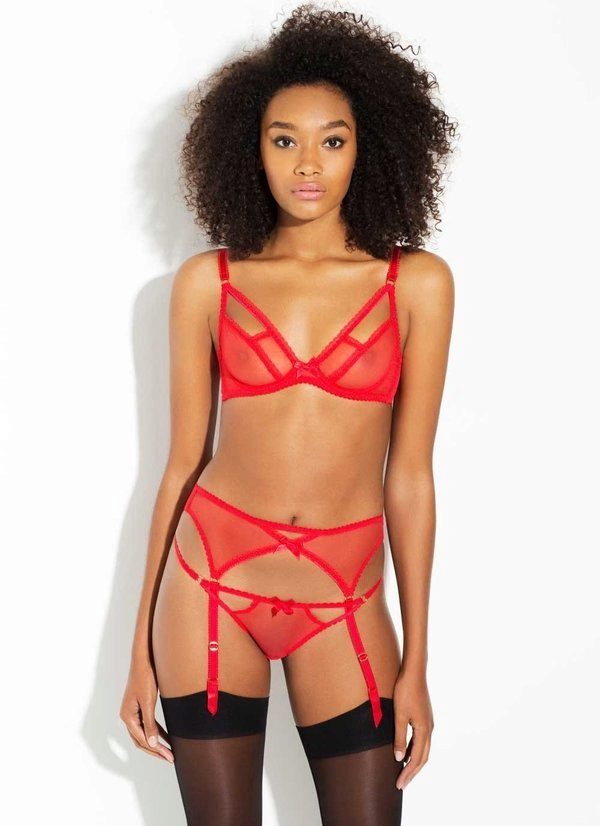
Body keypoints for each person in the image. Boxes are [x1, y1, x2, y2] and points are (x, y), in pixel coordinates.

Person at [120, 5, 457, 824]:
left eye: (332, 140)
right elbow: (181, 465)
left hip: (345, 597)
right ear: (253, 150)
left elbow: (411, 477)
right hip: (210, 584)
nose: (308, 163)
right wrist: (137, 648)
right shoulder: (210, 283)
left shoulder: (416, 284)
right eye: (283, 140)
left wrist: (416, 659)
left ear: (368, 148)